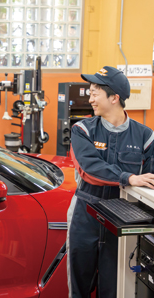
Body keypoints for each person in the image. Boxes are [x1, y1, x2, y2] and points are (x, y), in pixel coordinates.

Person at [67, 66, 154, 298]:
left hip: (124, 219)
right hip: (85, 213)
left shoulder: (146, 136)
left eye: (95, 92)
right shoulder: (82, 129)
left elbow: (150, 181)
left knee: (116, 287)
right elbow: (90, 168)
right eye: (90, 91)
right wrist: (128, 177)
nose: (90, 97)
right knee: (79, 286)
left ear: (114, 98)